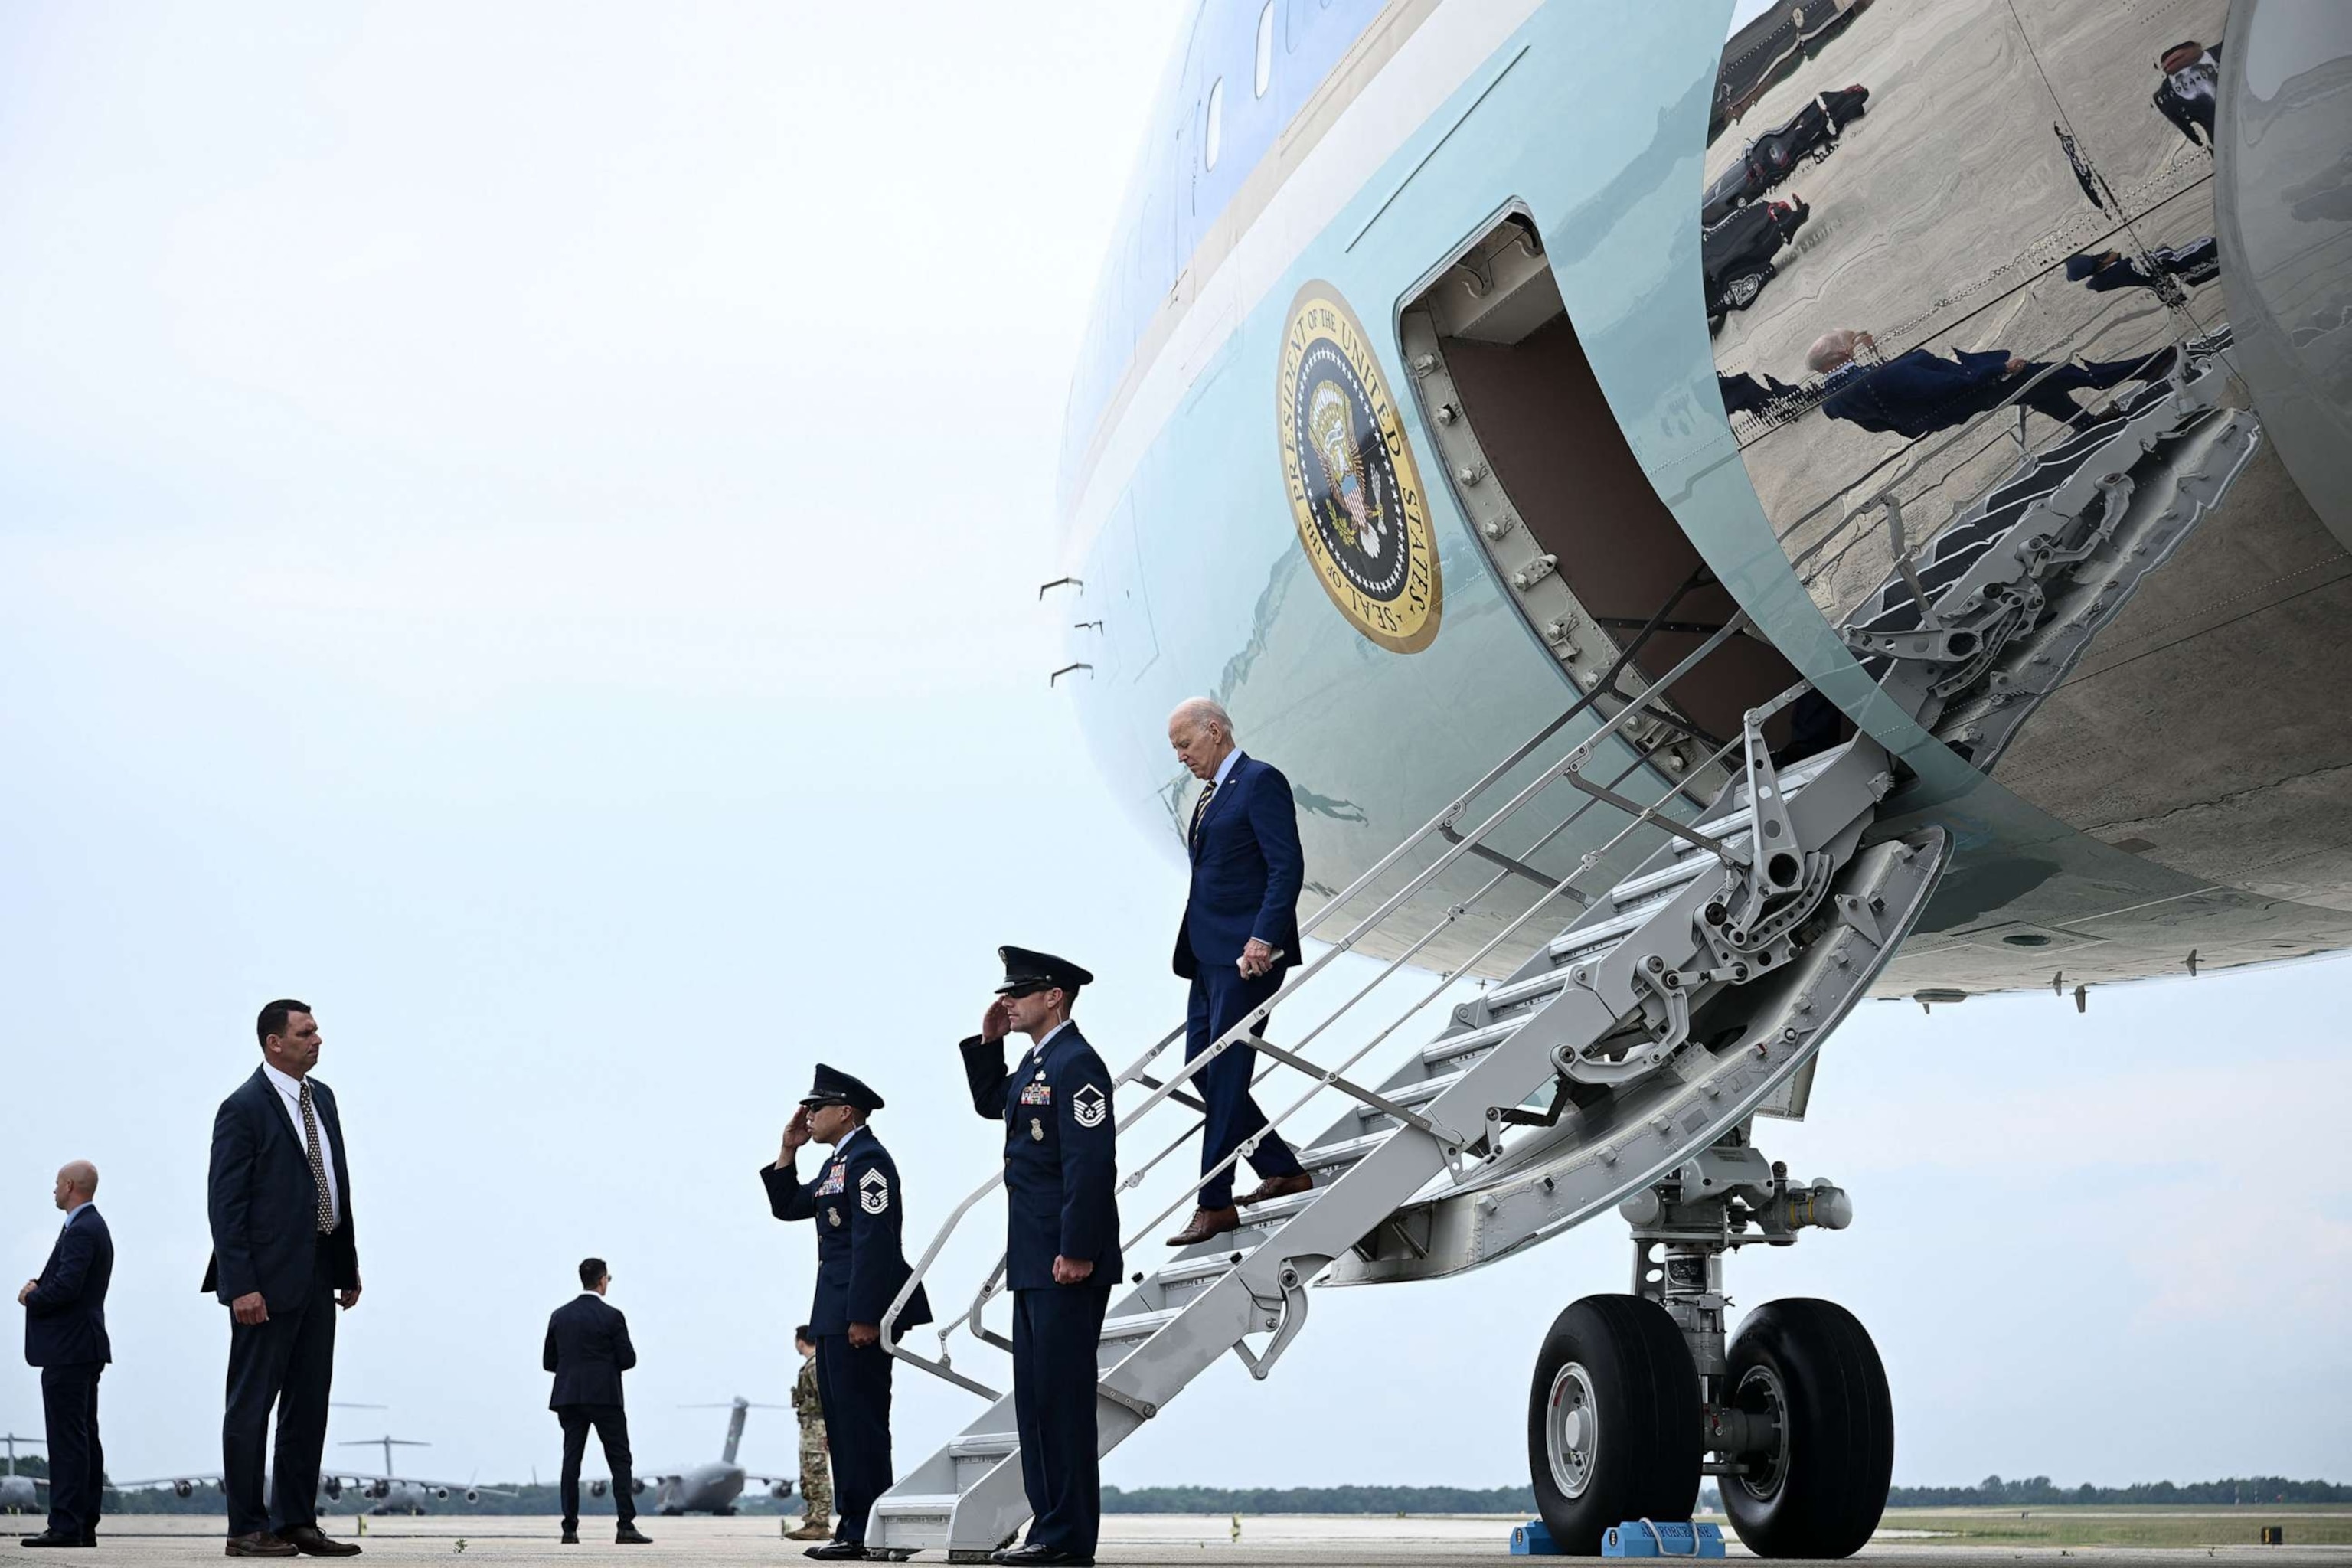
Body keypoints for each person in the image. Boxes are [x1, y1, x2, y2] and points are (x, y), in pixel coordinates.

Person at [961, 946, 1119, 1568]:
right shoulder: (1036, 1064)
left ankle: (1067, 1537)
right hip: (1033, 1258)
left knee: (1062, 1404)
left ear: (1055, 996)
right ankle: (1047, 1530)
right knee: (1035, 1405)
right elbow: (989, 1104)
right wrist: (988, 1040)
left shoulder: (1077, 1064)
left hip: (1064, 1259)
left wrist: (1077, 1248)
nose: (1009, 1000)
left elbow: (1089, 1163)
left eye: (1020, 992)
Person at [202, 999, 364, 1559]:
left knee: (309, 1404)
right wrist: (240, 1284)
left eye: (316, 1030)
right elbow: (226, 1205)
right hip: (264, 1284)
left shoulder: (323, 1099)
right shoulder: (243, 1108)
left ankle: (295, 1521)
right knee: (251, 1406)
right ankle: (246, 1528)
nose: (318, 1039)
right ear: (275, 1042)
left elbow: (332, 1184)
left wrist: (347, 1264)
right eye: (306, 1032)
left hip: (319, 1270)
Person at [761, 1065, 930, 1562]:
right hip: (833, 1310)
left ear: (847, 1111)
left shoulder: (868, 1161)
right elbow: (790, 1204)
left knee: (862, 1424)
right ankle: (854, 1527)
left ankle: (869, 1529)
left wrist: (865, 1315)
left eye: (817, 1108)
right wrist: (789, 1149)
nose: (809, 1115)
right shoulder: (838, 1163)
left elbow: (874, 1243)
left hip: (858, 1311)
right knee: (842, 1426)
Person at [1164, 697, 1311, 1247]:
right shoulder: (1210, 795)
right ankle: (1282, 1168)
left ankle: (1214, 1202)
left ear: (1215, 731)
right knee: (1202, 1071)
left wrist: (1263, 937)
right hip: (1207, 956)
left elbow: (1286, 865)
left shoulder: (1259, 781)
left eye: (1185, 743)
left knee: (1226, 1072)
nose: (1180, 756)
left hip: (1248, 959)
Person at [1808, 328, 2177, 441]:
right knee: (2063, 375)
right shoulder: (1873, 378)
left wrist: (1873, 353)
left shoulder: (1839, 398)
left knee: (2041, 390)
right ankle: (2151, 365)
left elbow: (1882, 417)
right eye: (1848, 344)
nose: (1853, 345)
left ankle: (2085, 424)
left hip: (1950, 408)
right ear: (1838, 358)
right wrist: (1998, 369)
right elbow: (1933, 387)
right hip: (1973, 390)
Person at [18, 1161, 112, 1550]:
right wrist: (44, 1283)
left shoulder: (83, 1230)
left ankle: (66, 1525)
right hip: (82, 1346)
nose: (54, 1190)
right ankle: (82, 1523)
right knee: (83, 1437)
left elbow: (68, 1288)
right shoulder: (89, 1227)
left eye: (57, 1184)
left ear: (70, 1185)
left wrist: (32, 1296)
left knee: (68, 1440)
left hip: (70, 1348)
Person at [544, 1258, 650, 1547]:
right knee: (619, 1460)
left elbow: (549, 1362)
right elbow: (628, 1359)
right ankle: (625, 1526)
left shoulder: (559, 1315)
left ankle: (569, 1528)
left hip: (569, 1397)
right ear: (602, 1280)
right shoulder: (612, 1316)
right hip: (605, 1397)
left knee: (571, 1461)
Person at [786, 1328, 832, 1542]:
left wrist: (829, 1430)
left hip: (817, 1427)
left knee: (817, 1474)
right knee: (808, 1475)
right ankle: (813, 1521)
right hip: (809, 1427)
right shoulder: (812, 1364)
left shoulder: (815, 1366)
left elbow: (826, 1399)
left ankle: (820, 1523)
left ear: (800, 1341)